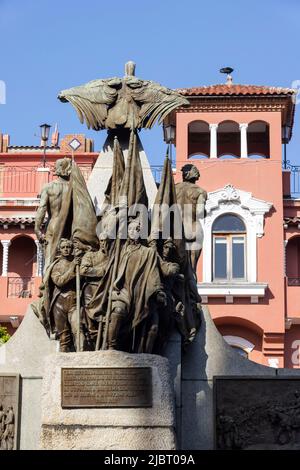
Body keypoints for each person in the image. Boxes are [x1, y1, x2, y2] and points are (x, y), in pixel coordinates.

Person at [109, 220, 166, 352]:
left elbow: (153, 272)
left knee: (147, 318)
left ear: (140, 232)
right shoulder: (120, 250)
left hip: (139, 292)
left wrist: (157, 291)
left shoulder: (148, 252)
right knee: (117, 312)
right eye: (129, 230)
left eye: (135, 229)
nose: (132, 232)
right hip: (122, 291)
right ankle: (111, 347)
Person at [34, 158, 72, 270]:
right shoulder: (73, 188)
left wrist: (37, 229)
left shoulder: (48, 187)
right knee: (68, 259)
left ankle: (46, 284)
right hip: (69, 226)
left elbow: (42, 208)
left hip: (53, 225)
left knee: (50, 259)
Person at [48, 238, 83, 352]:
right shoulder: (56, 266)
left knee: (77, 329)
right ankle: (63, 360)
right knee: (63, 336)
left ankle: (81, 355)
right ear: (60, 249)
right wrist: (72, 267)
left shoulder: (78, 262)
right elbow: (59, 281)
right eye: (63, 247)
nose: (66, 249)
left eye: (68, 247)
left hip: (73, 301)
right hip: (59, 303)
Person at [175, 164, 207, 275]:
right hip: (193, 227)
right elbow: (200, 212)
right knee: (191, 268)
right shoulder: (200, 191)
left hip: (176, 229)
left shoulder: (174, 188)